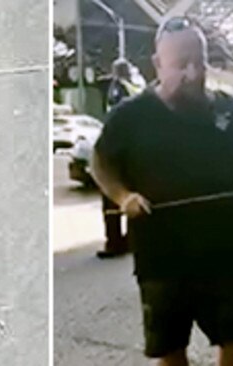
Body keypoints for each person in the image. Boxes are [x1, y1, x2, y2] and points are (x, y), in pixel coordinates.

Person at [91, 16, 233, 366]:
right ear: (157, 64)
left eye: (200, 61)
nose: (194, 73)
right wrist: (124, 197)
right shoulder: (130, 115)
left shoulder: (229, 108)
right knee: (171, 352)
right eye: (181, 64)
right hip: (160, 258)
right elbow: (101, 163)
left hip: (220, 253)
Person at [97, 58, 143, 259]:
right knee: (134, 192)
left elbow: (114, 116)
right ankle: (132, 240)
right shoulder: (136, 87)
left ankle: (114, 242)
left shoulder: (118, 87)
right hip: (135, 150)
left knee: (110, 198)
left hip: (118, 149)